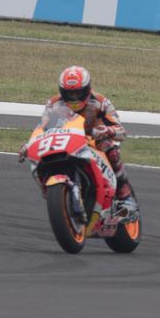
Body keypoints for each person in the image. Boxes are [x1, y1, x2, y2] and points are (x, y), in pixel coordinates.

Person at [19, 66, 139, 216]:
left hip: (95, 140)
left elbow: (121, 131)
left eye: (78, 92)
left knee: (111, 150)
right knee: (40, 157)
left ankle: (125, 196)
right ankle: (51, 190)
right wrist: (29, 144)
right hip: (66, 140)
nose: (74, 97)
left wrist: (108, 131)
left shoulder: (101, 102)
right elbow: (42, 127)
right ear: (62, 91)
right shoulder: (54, 104)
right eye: (69, 93)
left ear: (87, 89)